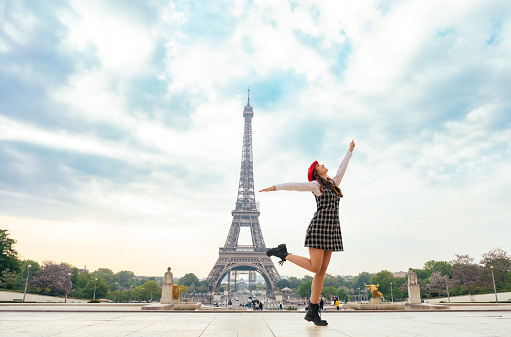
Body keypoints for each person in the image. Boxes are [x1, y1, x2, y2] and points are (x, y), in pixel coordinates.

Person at [260, 140, 355, 326]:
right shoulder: (315, 185)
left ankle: (313, 311)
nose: (322, 165)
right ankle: (283, 253)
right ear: (316, 172)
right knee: (315, 267)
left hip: (332, 229)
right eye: (319, 165)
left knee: (322, 271)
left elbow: (342, 169)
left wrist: (349, 151)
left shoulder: (333, 183)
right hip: (319, 227)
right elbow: (295, 185)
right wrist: (275, 187)